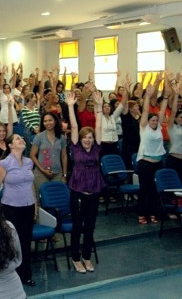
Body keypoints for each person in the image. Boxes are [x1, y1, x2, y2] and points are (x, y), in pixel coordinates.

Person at [66, 90, 104, 273]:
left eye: (90, 137)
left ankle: (87, 257)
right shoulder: (75, 147)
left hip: (94, 191)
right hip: (78, 192)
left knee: (90, 227)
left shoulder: (96, 148)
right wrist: (71, 107)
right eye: (85, 137)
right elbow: (74, 127)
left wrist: (98, 107)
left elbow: (98, 127)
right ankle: (75, 257)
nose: (88, 139)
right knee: (77, 226)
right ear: (80, 140)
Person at [0, 133, 36, 287]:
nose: (22, 140)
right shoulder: (4, 164)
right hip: (11, 208)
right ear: (10, 145)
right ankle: (10, 277)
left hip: (28, 207)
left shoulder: (29, 162)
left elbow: (31, 185)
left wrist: (35, 206)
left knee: (26, 242)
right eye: (18, 139)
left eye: (22, 138)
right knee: (11, 243)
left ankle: (26, 274)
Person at [136, 83, 168, 225]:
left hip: (158, 164)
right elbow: (144, 112)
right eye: (152, 120)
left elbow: (161, 111)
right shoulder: (144, 128)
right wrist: (148, 96)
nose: (155, 122)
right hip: (145, 164)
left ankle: (154, 213)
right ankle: (142, 214)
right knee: (145, 190)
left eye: (156, 120)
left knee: (155, 191)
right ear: (148, 122)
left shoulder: (159, 127)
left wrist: (166, 95)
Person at [30, 112, 68, 204]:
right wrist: (43, 170)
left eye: (50, 120)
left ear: (55, 121)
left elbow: (64, 156)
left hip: (58, 173)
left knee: (57, 199)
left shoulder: (62, 138)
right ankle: (39, 218)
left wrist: (64, 175)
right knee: (41, 200)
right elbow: (32, 155)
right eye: (45, 121)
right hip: (41, 173)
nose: (48, 123)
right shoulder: (39, 137)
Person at [166, 83, 182, 180]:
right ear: (175, 119)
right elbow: (173, 111)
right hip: (174, 159)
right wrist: (176, 95)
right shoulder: (172, 127)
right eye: (180, 117)